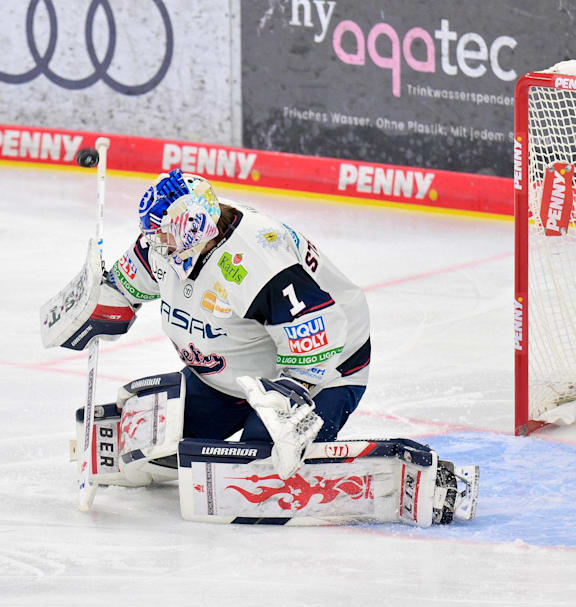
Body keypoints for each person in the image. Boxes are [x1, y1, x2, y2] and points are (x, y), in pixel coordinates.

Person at [52, 170, 476, 525]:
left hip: (323, 371)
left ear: (191, 226)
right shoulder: (165, 245)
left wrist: (289, 395)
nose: (153, 243)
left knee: (262, 470)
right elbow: (123, 289)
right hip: (229, 375)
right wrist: (95, 307)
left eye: (163, 234)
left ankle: (416, 480)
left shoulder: (257, 259)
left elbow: (321, 329)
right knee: (151, 448)